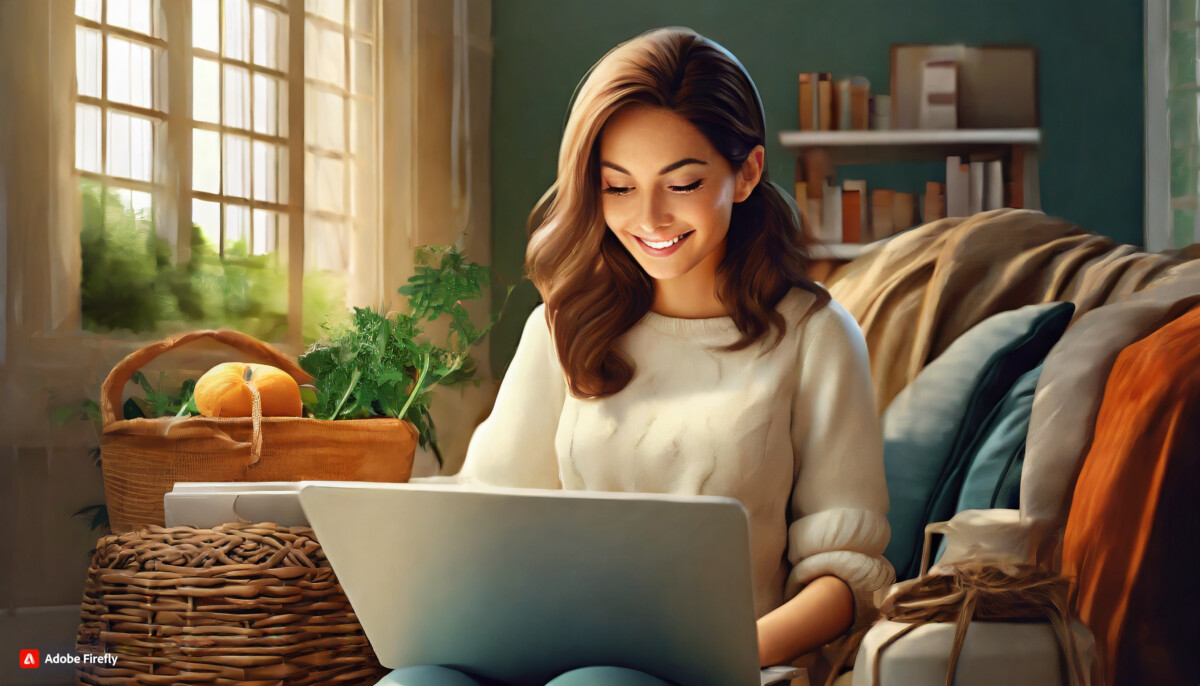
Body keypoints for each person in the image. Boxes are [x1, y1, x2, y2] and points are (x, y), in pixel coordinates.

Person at [393, 26, 892, 686]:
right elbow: (489, 518)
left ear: (745, 173)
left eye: (682, 184)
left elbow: (845, 579)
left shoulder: (815, 335)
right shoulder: (561, 329)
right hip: (547, 657)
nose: (649, 218)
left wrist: (717, 653)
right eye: (618, 187)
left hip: (723, 671)